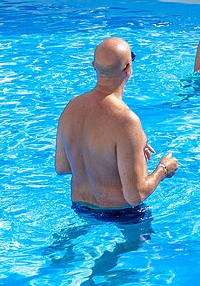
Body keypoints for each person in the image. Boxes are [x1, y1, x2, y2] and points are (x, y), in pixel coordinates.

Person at [55, 37, 179, 220]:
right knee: (137, 243)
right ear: (128, 69)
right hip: (122, 213)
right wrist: (163, 169)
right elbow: (135, 196)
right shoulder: (126, 121)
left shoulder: (71, 107)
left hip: (80, 206)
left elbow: (62, 167)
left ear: (93, 66)